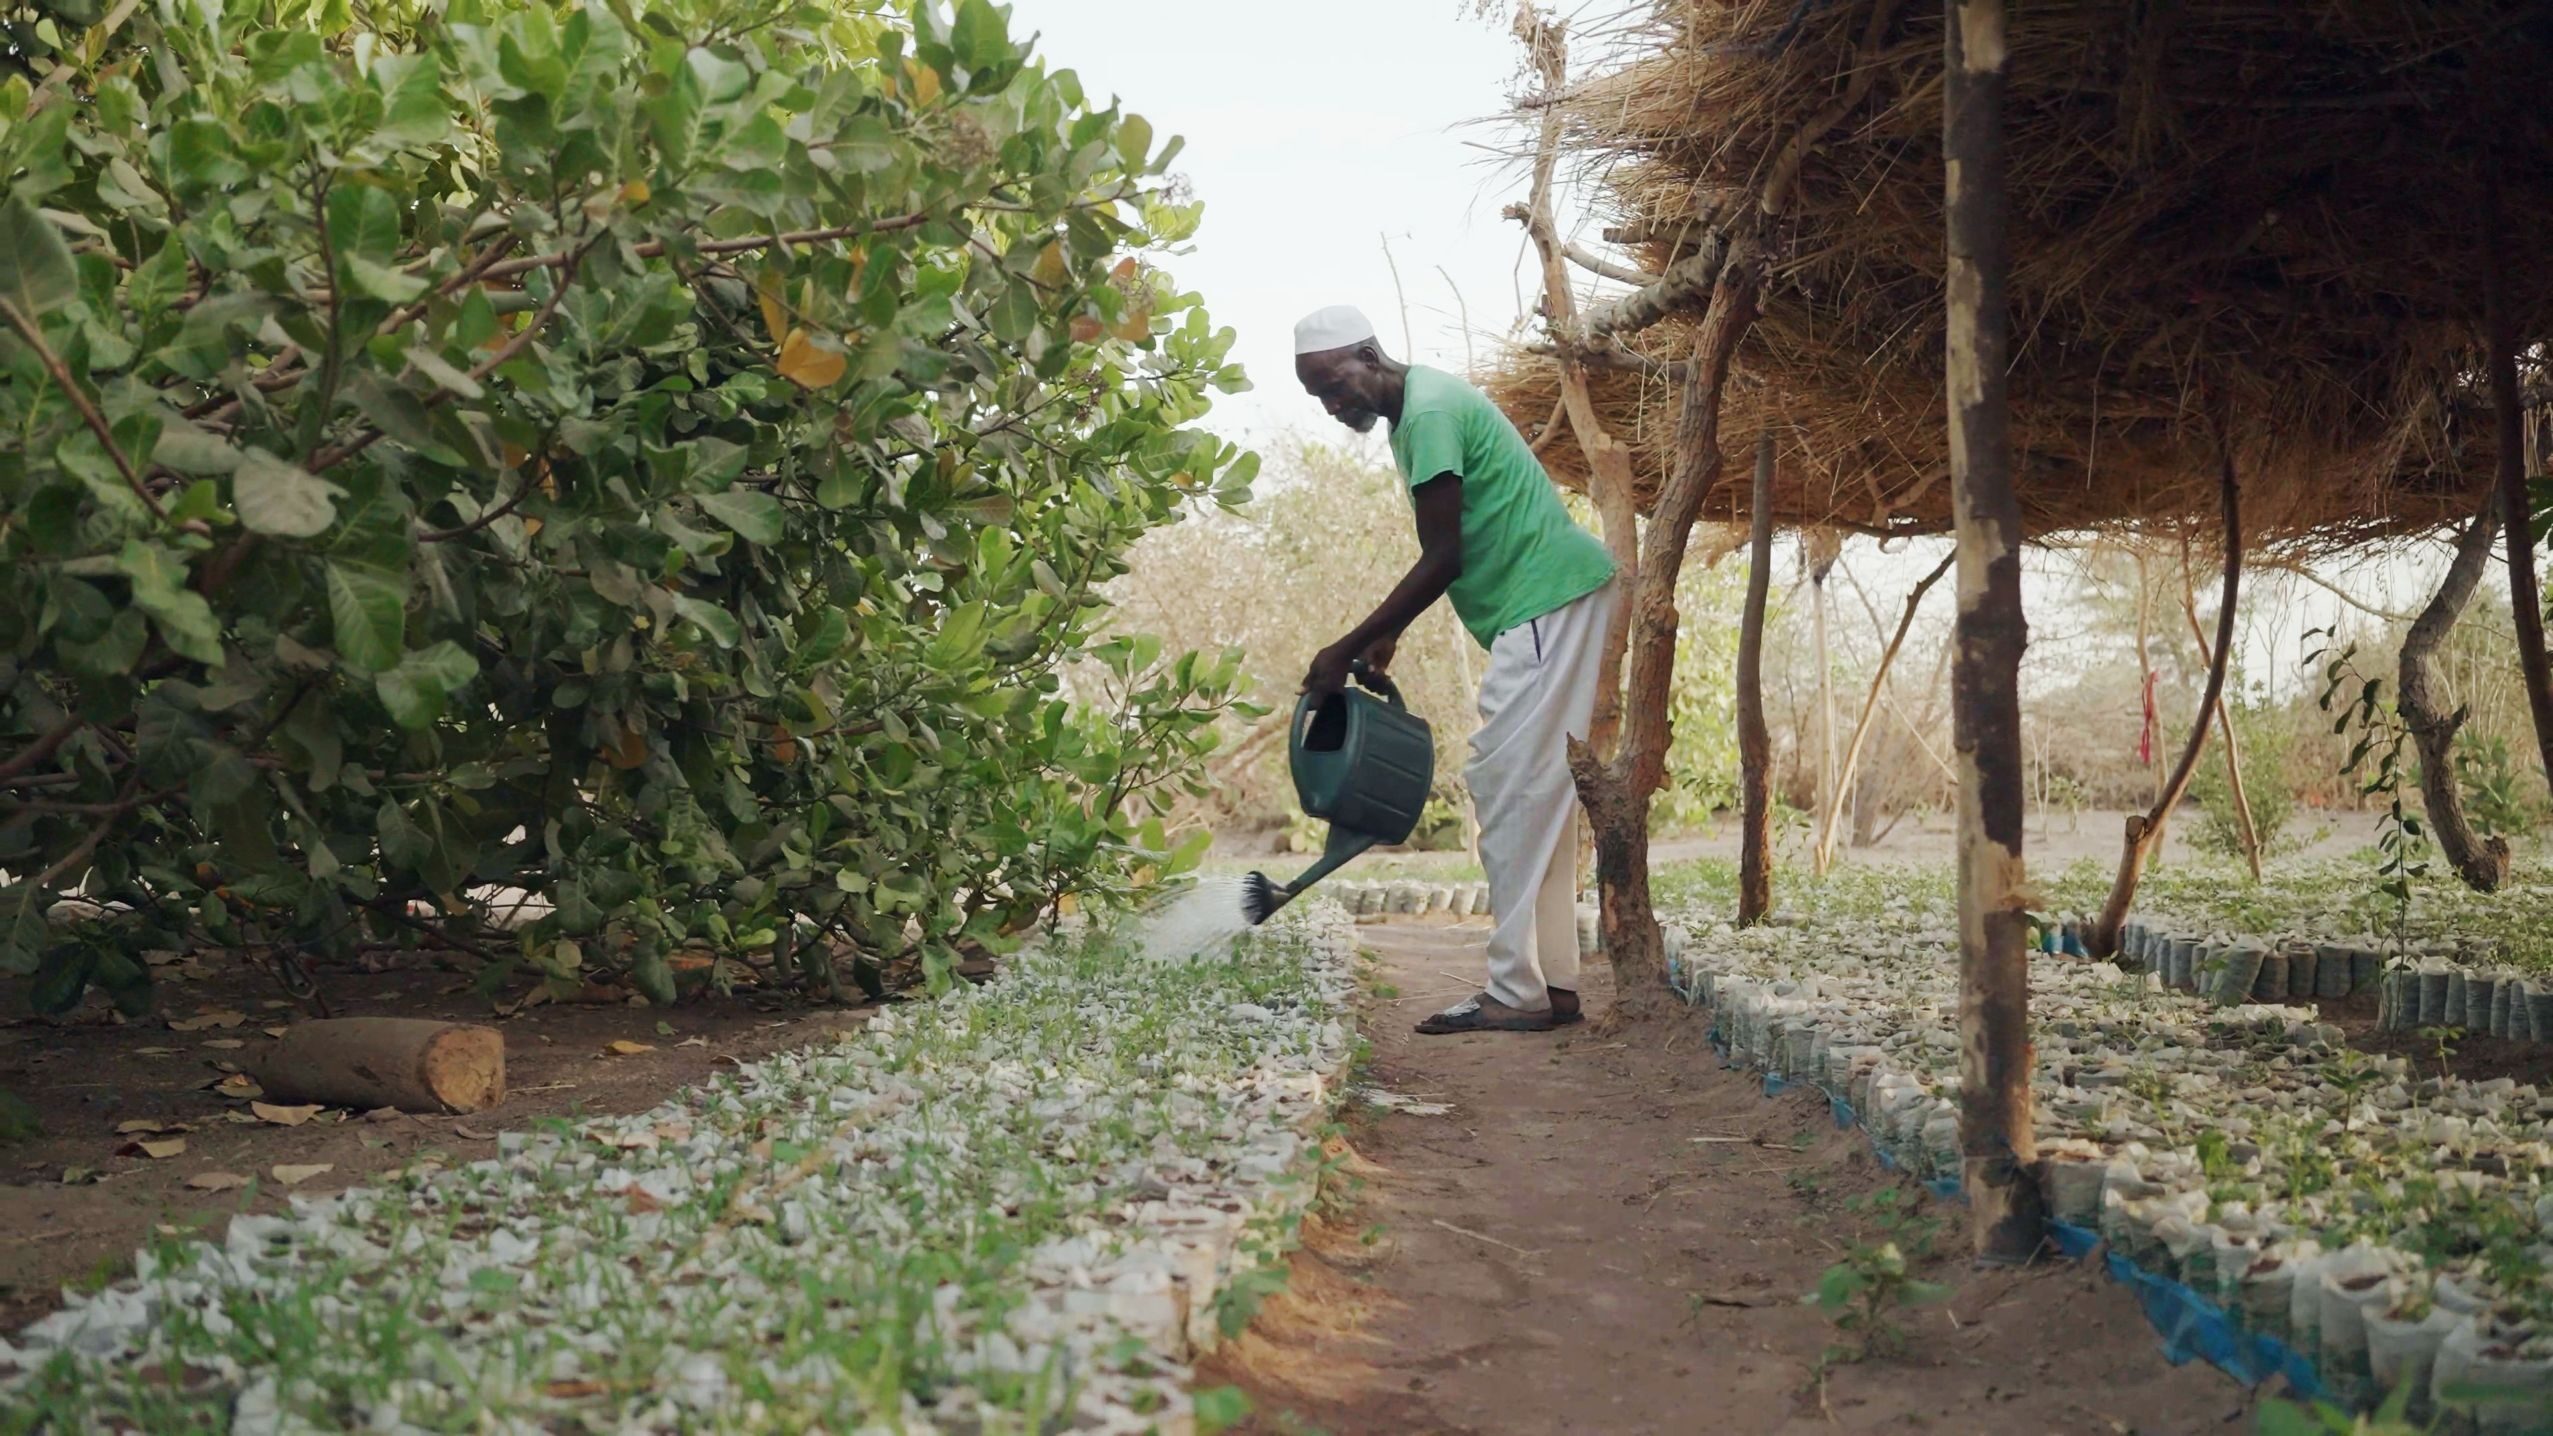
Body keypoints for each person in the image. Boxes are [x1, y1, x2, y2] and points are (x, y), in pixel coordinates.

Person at [1292, 304, 1618, 1034]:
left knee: (1505, 792)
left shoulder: (1430, 414)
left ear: (1369, 355)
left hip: (1546, 601)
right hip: (1546, 603)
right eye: (1317, 395)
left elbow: (1445, 556)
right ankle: (1549, 985)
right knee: (1533, 794)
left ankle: (1517, 991)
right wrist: (1389, 635)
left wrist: (1343, 648)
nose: (1332, 402)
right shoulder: (1420, 412)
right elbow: (1454, 544)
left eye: (1334, 383)